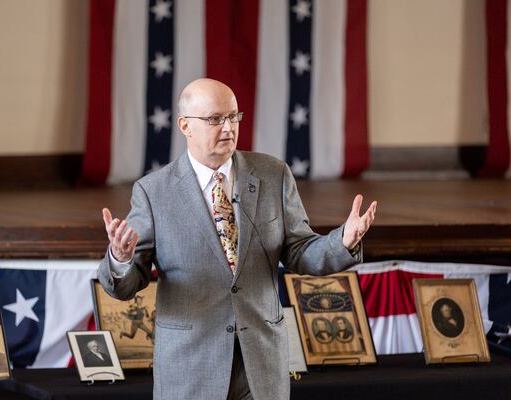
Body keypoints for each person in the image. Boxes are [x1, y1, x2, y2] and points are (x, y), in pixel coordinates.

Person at [98, 78, 377, 400]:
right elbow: (126, 285)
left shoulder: (273, 174)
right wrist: (120, 258)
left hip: (260, 361)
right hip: (191, 364)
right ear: (185, 125)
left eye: (234, 117)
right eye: (215, 119)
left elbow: (301, 251)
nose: (228, 127)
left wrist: (343, 241)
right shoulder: (153, 191)